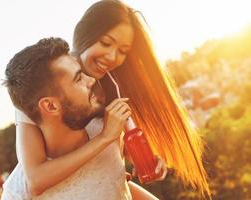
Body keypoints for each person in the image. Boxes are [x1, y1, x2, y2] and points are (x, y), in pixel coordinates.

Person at [12, 0, 210, 198]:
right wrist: (105, 138)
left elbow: (113, 159)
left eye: (123, 51)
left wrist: (147, 160)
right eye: (106, 43)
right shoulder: (46, 86)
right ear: (84, 35)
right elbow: (35, 179)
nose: (112, 57)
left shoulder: (114, 89)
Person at [2, 37, 137, 199]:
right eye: (79, 78)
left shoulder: (106, 131)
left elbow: (119, 185)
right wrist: (104, 138)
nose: (91, 80)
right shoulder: (17, 194)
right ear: (50, 106)